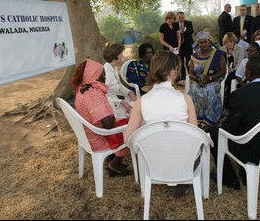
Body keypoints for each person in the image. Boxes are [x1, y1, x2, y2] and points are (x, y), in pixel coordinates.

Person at [207, 56, 260, 189]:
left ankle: (229, 178)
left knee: (212, 132)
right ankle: (244, 171)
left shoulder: (241, 94)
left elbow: (229, 129)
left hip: (250, 148)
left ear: (249, 73)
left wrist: (220, 125)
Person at [124, 50, 198, 197]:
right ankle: (182, 180)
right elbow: (195, 136)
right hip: (183, 160)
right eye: (177, 69)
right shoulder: (185, 99)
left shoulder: (141, 102)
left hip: (153, 160)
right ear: (173, 72)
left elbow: (128, 140)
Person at [71, 58, 131, 177]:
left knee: (123, 120)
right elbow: (109, 125)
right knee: (131, 128)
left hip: (87, 134)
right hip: (98, 138)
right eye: (102, 74)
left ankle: (109, 160)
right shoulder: (94, 94)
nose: (105, 78)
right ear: (95, 77)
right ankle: (114, 164)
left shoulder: (82, 89)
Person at [188, 31, 226, 128]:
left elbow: (223, 71)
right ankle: (197, 118)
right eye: (201, 42)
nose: (203, 44)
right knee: (194, 90)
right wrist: (198, 80)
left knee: (209, 90)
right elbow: (191, 73)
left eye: (205, 42)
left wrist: (209, 78)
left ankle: (209, 120)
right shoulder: (194, 57)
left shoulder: (217, 55)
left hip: (213, 80)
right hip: (198, 81)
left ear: (209, 42)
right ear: (198, 44)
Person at [103, 42, 137, 118]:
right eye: (121, 54)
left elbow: (118, 85)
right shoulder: (106, 74)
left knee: (138, 106)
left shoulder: (113, 68)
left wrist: (129, 92)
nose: (123, 56)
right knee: (137, 113)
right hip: (110, 109)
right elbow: (101, 97)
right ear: (115, 57)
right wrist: (121, 102)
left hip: (116, 104)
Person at [220, 32, 245, 108]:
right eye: (227, 42)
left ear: (234, 41)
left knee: (230, 80)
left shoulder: (240, 49)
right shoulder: (222, 49)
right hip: (225, 70)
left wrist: (233, 69)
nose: (229, 44)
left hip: (236, 70)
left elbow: (240, 62)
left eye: (231, 42)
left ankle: (228, 102)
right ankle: (222, 100)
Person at [174, 11, 194, 80]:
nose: (181, 19)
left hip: (188, 45)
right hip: (179, 46)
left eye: (182, 17)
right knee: (180, 61)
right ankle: (182, 77)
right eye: (179, 17)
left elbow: (191, 31)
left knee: (189, 61)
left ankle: (191, 76)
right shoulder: (175, 24)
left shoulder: (189, 23)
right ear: (177, 17)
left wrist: (184, 29)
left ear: (184, 17)